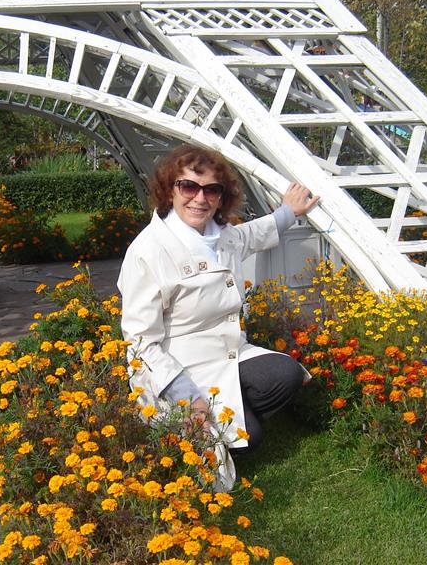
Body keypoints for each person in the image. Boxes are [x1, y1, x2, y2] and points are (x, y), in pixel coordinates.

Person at [117, 145, 320, 456]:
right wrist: (188, 397)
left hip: (227, 355)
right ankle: (208, 425)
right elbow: (141, 342)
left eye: (212, 189)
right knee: (249, 438)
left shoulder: (220, 235)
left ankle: (231, 417)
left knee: (285, 374)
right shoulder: (148, 251)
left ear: (221, 196)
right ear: (169, 190)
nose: (200, 198)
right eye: (189, 186)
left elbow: (250, 235)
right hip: (176, 369)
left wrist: (288, 212)